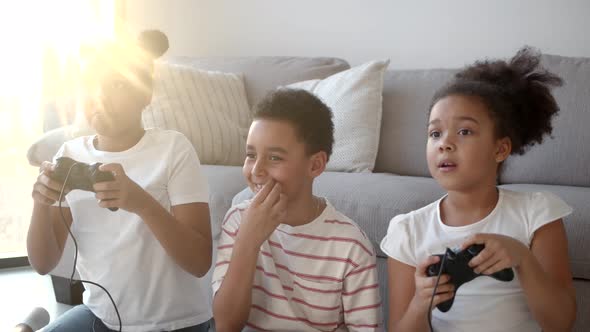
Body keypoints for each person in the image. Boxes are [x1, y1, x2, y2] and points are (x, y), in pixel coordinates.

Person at [27, 30, 213, 332]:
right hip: (100, 317)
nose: (101, 97)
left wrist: (141, 204)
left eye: (118, 85)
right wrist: (40, 204)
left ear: (145, 93)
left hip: (175, 324)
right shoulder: (71, 154)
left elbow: (199, 261)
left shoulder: (173, 149)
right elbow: (43, 263)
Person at [380, 47, 576, 332]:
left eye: (464, 131)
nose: (444, 143)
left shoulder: (537, 213)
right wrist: (420, 304)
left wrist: (521, 257)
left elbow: (561, 323)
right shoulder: (407, 230)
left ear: (500, 148)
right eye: (435, 133)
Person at [212, 89, 383, 331]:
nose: (256, 170)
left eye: (274, 158)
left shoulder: (351, 247)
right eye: (251, 155)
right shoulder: (238, 220)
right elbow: (226, 325)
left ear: (315, 165)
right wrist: (247, 241)